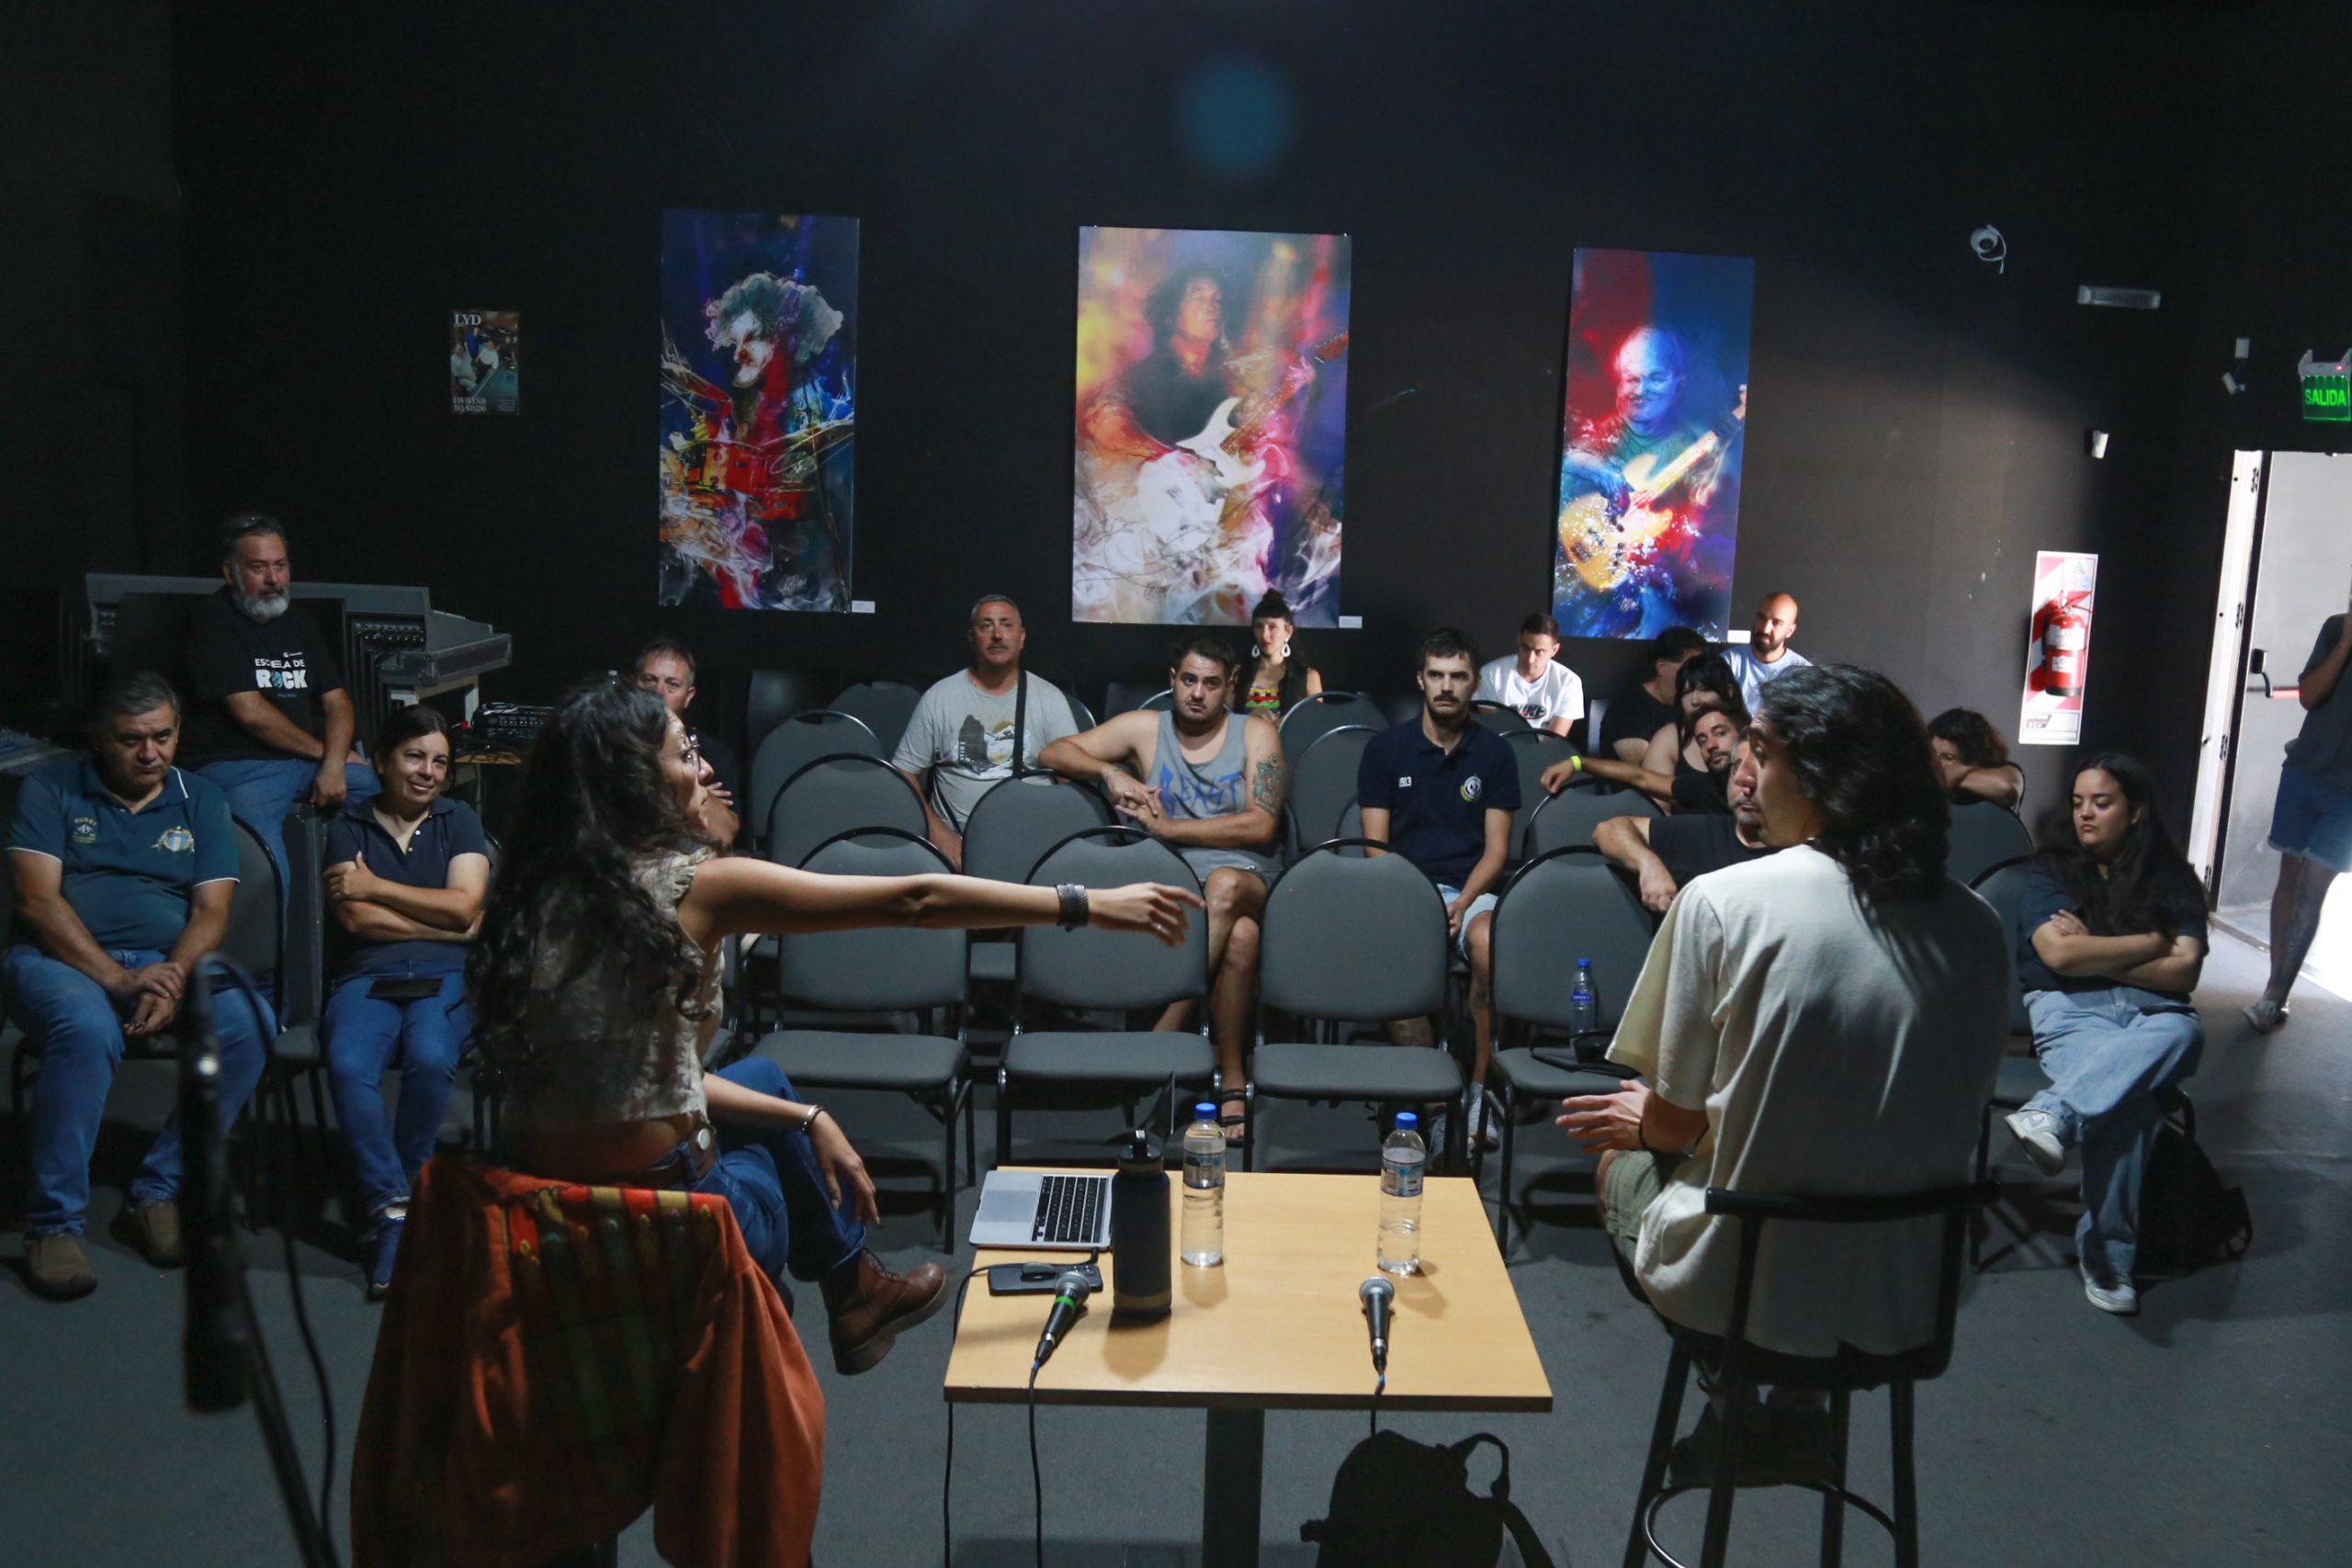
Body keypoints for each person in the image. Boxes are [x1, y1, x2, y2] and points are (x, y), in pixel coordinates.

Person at [467, 680, 1201, 1376]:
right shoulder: (696, 886)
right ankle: (850, 1289)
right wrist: (1083, 903)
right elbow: (913, 900)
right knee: (777, 1163)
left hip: (542, 1210)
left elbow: (642, 1084)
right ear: (635, 781)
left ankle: (856, 1292)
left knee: (765, 1080)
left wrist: (809, 1114)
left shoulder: (531, 895)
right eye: (685, 753)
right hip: (666, 1217)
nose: (705, 768)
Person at [1556, 665, 2007, 1369]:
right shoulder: (1979, 924)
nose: (1745, 775)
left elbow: (1673, 1125)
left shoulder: (1722, 902)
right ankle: (1792, 1409)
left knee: (1623, 1161)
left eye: (1763, 756)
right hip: (1907, 1289)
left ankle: (1727, 1384)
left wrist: (1645, 1120)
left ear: (1822, 777)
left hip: (1748, 1282)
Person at [6, 672, 273, 1300]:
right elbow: (37, 901)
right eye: (132, 740)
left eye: (163, 736)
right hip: (58, 962)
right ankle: (53, 1225)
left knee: (250, 1021)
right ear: (100, 737)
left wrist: (171, 978)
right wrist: (118, 975)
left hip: (165, 960)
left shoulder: (201, 798)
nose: (151, 753)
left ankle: (158, 1192)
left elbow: (211, 911)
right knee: (86, 1026)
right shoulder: (50, 789)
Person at [1041, 636, 1283, 1140]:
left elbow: (1262, 826)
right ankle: (1232, 1076)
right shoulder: (1146, 728)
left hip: (1248, 877)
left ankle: (1160, 1040)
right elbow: (1053, 752)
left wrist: (1171, 828)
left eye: (1211, 684)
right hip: (1172, 883)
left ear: (1230, 687)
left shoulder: (1255, 733)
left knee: (1223, 887)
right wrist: (1110, 772)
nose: (1197, 693)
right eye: (1189, 680)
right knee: (1241, 939)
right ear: (1172, 680)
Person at [2007, 753, 2208, 1314]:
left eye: (2102, 802)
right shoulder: (2051, 870)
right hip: (2070, 1008)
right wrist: (2151, 941)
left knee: (2185, 1035)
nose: (2085, 814)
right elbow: (2060, 956)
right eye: (2078, 802)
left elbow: (2185, 972)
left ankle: (2055, 1113)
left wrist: (2095, 946)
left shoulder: (2173, 878)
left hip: (2155, 1015)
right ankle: (2108, 1260)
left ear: (2135, 810)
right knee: (2130, 1104)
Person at [319, 705, 490, 1298]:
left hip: (445, 975)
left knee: (432, 1056)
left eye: (439, 761)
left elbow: (463, 905)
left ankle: (397, 1205)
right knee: (347, 1064)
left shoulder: (459, 819)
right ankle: (396, 1204)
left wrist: (376, 885)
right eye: (415, 756)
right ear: (383, 761)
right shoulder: (349, 823)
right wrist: (444, 924)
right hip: (367, 974)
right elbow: (355, 918)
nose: (428, 772)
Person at [1357, 628, 1521, 1150]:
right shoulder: (1385, 749)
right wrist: (1421, 903)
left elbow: (1497, 851)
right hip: (1405, 892)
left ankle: (1478, 1090)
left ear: (1475, 683)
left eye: (1457, 676)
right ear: (1420, 680)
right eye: (1436, 675)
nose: (1446, 687)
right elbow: (1376, 849)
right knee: (1394, 953)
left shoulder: (1495, 753)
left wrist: (1463, 902)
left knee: (1489, 942)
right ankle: (1430, 1106)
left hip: (1472, 890)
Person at [183, 512, 379, 896]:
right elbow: (250, 713)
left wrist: (334, 765)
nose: (273, 579)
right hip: (240, 765)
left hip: (302, 762)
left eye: (281, 566)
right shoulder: (212, 621)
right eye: (258, 567)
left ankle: (366, 918)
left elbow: (338, 702)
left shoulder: (299, 622)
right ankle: (275, 936)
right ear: (230, 573)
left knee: (377, 798)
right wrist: (329, 756)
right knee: (267, 873)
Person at [893, 595, 1081, 870]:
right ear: (972, 638)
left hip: (1033, 846)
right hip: (958, 847)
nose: (997, 635)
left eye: (1006, 624)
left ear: (1021, 637)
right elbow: (903, 773)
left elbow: (1072, 782)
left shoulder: (1049, 699)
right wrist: (938, 834)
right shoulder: (940, 697)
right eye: (986, 626)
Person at [2246, 587, 2352, 1034]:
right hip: (2305, 772)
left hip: (2347, 796)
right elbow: (2309, 695)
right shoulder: (2335, 629)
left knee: (2314, 887)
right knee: (2289, 879)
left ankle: (2274, 997)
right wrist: (2345, 644)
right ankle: (2276, 987)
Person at [1593, 737, 1776, 913]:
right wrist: (1649, 864)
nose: (1745, 781)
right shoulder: (1706, 833)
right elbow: (1609, 830)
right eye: (1736, 768)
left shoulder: (1792, 854)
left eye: (1759, 770)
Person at [635, 636, 742, 846]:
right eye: (649, 680)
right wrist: (687, 795)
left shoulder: (714, 753)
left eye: (672, 685)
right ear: (632, 684)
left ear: (688, 696)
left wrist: (690, 793)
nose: (658, 693)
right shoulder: (608, 744)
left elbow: (726, 834)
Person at [1552, 701, 1745, 817]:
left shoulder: (1762, 787)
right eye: (1702, 740)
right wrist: (1578, 763)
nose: (1711, 745)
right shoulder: (1704, 787)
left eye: (1720, 733)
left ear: (1746, 735)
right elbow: (1641, 777)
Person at [1597, 626, 1710, 761]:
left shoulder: (1695, 707)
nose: (1695, 677)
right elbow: (1645, 767)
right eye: (1689, 669)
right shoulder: (1627, 707)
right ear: (1662, 667)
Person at [1476, 613, 1584, 739]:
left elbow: (1554, 740)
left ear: (1554, 650)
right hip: (1503, 747)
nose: (1530, 659)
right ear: (1518, 640)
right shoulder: (1490, 674)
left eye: (1539, 651)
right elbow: (1493, 731)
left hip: (1545, 750)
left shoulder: (1569, 682)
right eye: (1526, 648)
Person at [1231, 589, 1325, 718]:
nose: (1265, 635)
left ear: (1288, 631)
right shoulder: (1238, 674)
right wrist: (1249, 719)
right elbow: (1223, 721)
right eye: (1259, 626)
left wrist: (1286, 723)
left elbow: (1317, 724)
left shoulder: (1308, 677)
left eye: (1272, 627)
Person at [1720, 592, 1810, 714]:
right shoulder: (1728, 662)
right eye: (1761, 618)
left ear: (1790, 631)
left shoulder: (1803, 674)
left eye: (1776, 623)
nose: (1765, 629)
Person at [1928, 706, 2026, 811]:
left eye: (1948, 757)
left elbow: (2004, 787)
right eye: (1931, 754)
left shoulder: (2005, 770)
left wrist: (1962, 770)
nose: (1935, 763)